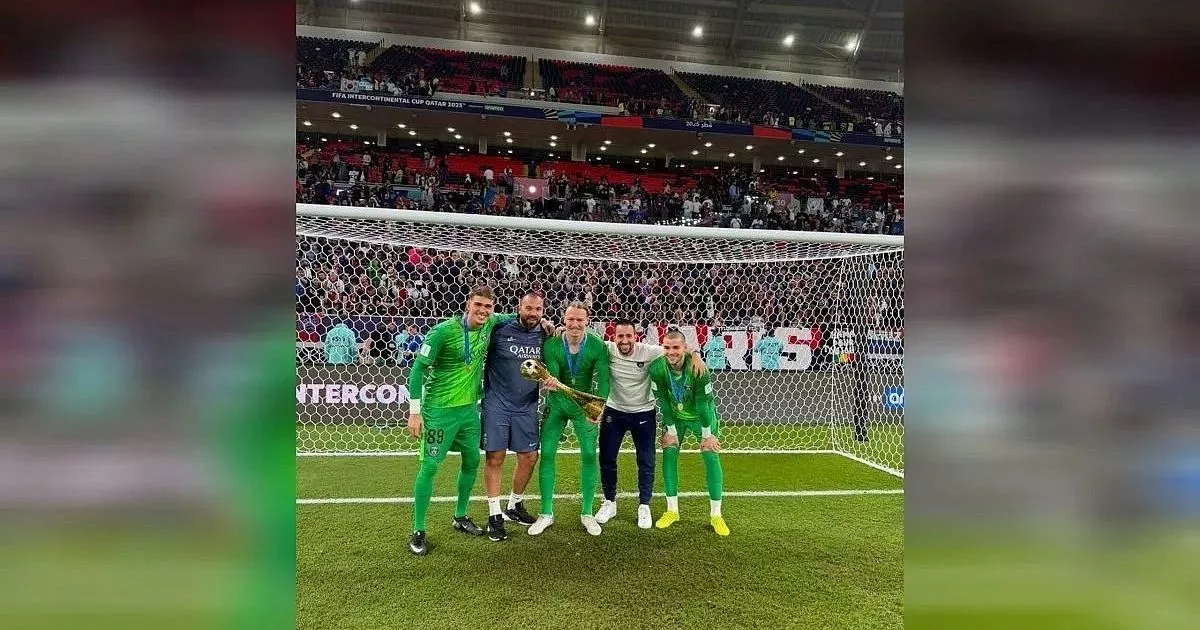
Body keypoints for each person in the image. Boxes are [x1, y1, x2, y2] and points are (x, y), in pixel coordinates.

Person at [405, 286, 515, 556]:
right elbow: (418, 369)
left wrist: (546, 323)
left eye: (488, 306)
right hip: (439, 411)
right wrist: (415, 412)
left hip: (468, 412)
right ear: (468, 304)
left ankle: (460, 515)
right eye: (478, 305)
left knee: (472, 461)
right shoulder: (442, 332)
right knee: (430, 467)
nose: (483, 311)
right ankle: (418, 530)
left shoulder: (491, 322)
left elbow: (517, 316)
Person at [596, 319, 706, 529]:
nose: (625, 340)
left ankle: (644, 505)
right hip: (614, 411)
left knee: (646, 460)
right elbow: (583, 339)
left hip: (643, 412)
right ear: (613, 337)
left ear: (636, 336)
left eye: (629, 336)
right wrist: (558, 329)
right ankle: (609, 502)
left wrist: (696, 354)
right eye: (620, 336)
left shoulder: (650, 352)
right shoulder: (606, 349)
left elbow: (676, 347)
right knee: (607, 458)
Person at [528, 302, 610, 536]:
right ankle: (546, 513)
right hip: (556, 405)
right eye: (570, 319)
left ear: (587, 321)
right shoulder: (552, 344)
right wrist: (551, 382)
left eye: (579, 320)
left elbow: (605, 380)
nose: (575, 324)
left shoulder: (597, 345)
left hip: (583, 407)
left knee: (588, 455)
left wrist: (600, 406)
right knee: (547, 454)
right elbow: (553, 374)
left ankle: (587, 513)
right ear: (564, 320)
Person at [479, 291, 549, 541]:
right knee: (495, 457)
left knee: (530, 457)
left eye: (538, 309)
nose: (533, 314)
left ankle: (514, 505)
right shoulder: (498, 329)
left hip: (527, 406)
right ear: (519, 308)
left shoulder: (545, 334)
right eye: (528, 308)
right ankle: (494, 515)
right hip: (497, 403)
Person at [648, 330, 729, 536]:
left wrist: (707, 435)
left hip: (702, 418)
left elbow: (703, 404)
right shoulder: (657, 368)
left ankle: (716, 515)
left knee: (711, 456)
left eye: (676, 347)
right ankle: (672, 511)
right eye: (667, 347)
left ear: (685, 348)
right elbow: (663, 401)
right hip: (675, 417)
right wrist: (671, 431)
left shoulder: (698, 368)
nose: (671, 352)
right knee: (669, 453)